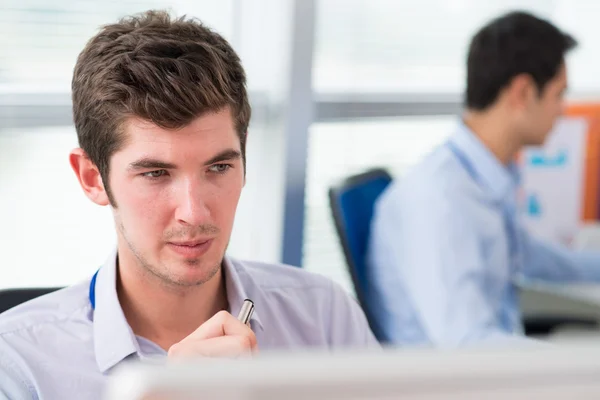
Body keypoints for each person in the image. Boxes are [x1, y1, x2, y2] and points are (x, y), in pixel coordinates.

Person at [0, 10, 378, 399]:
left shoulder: (324, 315)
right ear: (93, 178)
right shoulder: (17, 363)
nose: (194, 213)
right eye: (155, 174)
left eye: (218, 167)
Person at [367, 11, 600, 347]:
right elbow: (466, 345)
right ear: (522, 92)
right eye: (558, 94)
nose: (562, 110)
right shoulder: (440, 199)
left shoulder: (481, 178)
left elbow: (528, 255)